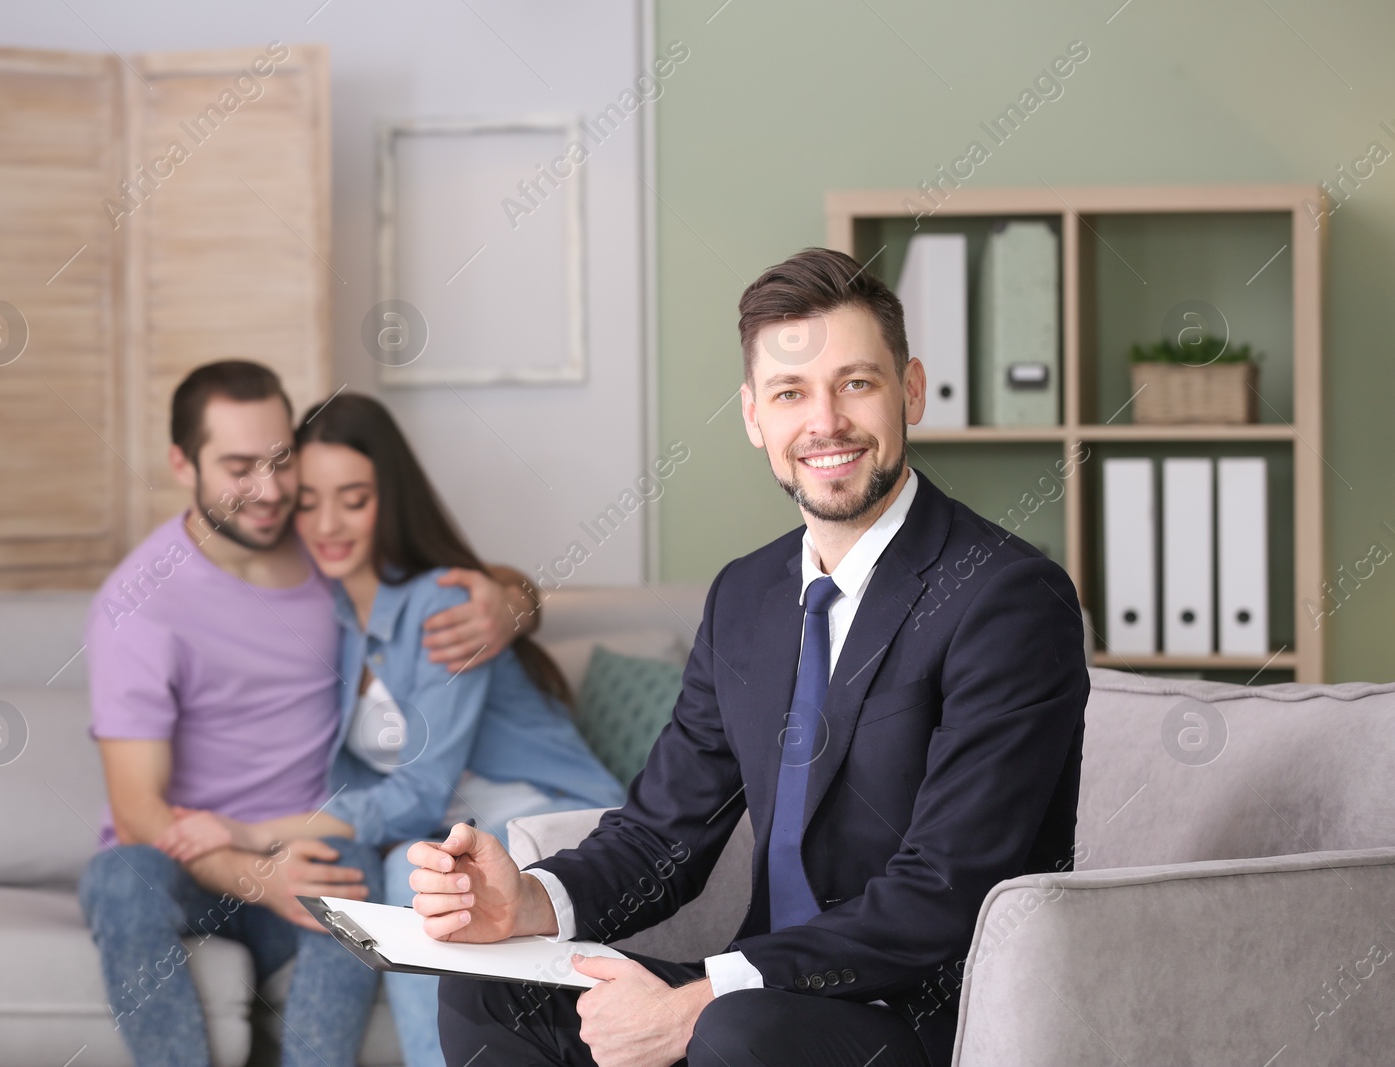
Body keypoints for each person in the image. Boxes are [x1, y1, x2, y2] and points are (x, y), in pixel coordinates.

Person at [408, 248, 1091, 1067]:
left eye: (857, 384)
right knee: (486, 986)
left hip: (918, 1013)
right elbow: (663, 832)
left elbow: (941, 893)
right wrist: (528, 900)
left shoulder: (1007, 597)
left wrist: (706, 997)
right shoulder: (747, 595)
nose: (825, 422)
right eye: (791, 393)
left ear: (910, 389)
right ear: (753, 415)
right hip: (759, 994)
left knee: (732, 1027)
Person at [78, 361, 541, 1067]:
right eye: (238, 467)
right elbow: (140, 811)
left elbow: (441, 570)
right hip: (195, 866)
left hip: (320, 843)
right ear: (181, 463)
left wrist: (509, 605)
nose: (267, 492)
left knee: (353, 870)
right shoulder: (137, 604)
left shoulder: (321, 541)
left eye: (279, 461)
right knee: (119, 876)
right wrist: (258, 874)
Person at [157, 392, 627, 1067]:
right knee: (401, 863)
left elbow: (418, 794)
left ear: (391, 499)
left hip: (556, 824)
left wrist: (248, 830)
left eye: (354, 498)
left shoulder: (442, 603)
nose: (328, 523)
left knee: (412, 867)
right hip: (467, 836)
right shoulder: (334, 619)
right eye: (309, 501)